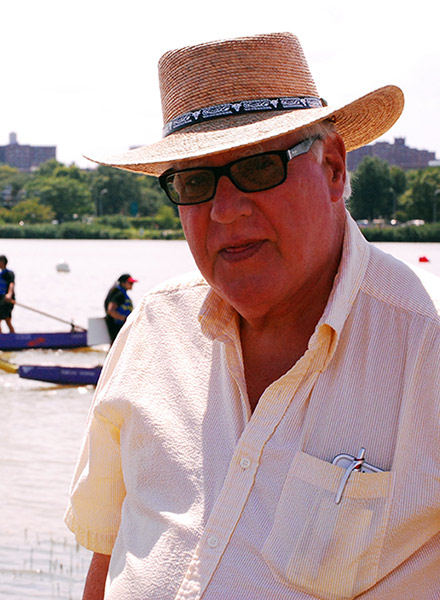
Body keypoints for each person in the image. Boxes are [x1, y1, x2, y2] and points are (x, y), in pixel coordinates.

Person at [65, 33, 438, 599]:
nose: (225, 209)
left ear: (334, 168)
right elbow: (109, 553)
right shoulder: (152, 330)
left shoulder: (424, 345)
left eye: (259, 167)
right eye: (194, 181)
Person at [103, 273, 136, 343]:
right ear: (123, 283)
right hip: (116, 325)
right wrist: (125, 319)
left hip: (118, 324)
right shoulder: (119, 294)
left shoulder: (119, 292)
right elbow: (111, 310)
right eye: (130, 283)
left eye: (132, 283)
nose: (132, 285)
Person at [0, 254, 15, 333]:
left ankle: (1, 337)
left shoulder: (8, 274)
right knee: (4, 319)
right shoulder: (0, 274)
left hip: (7, 299)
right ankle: (3, 335)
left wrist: (9, 294)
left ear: (2, 262)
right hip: (1, 300)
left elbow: (11, 284)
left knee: (1, 319)